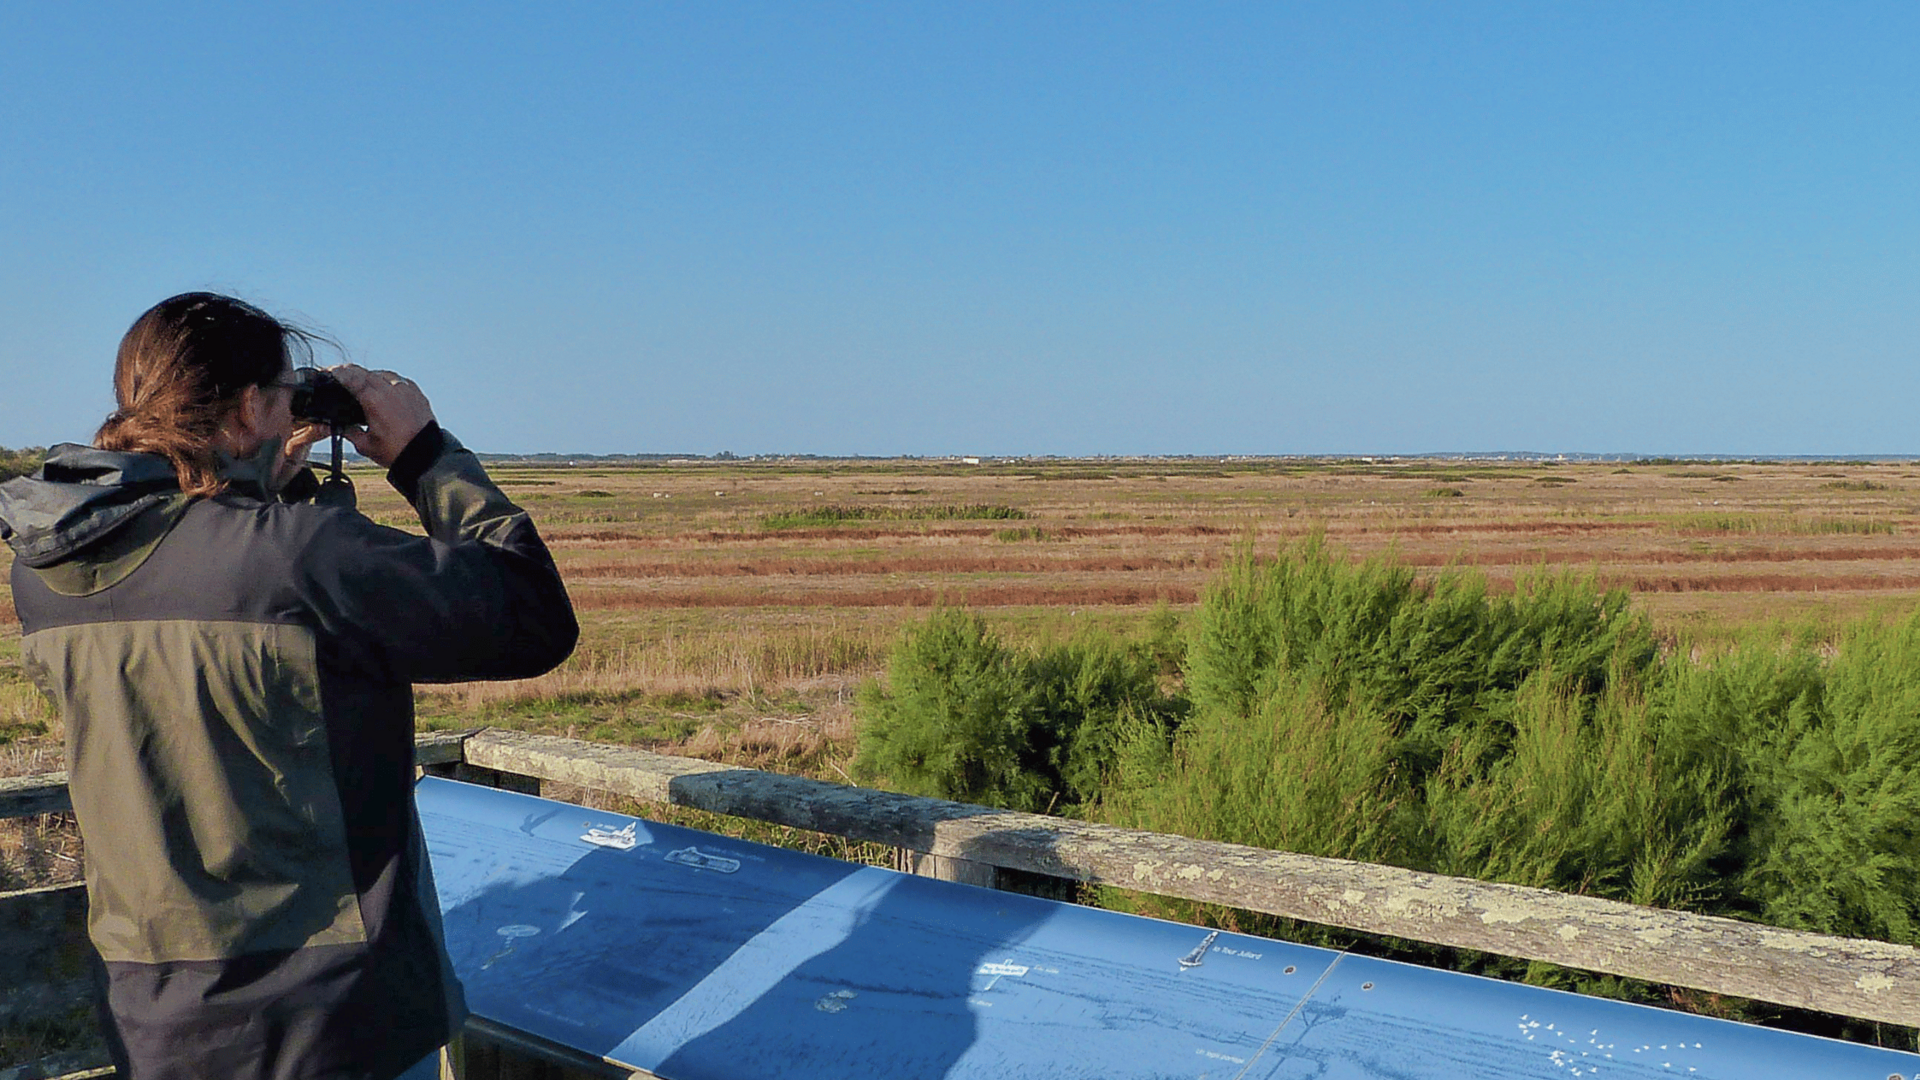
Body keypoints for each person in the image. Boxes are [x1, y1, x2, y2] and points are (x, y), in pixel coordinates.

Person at [0, 293, 579, 1080]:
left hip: (156, 1017)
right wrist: (424, 454)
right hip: (330, 1019)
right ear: (244, 410)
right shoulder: (293, 553)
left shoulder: (48, 569)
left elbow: (212, 584)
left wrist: (260, 490)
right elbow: (532, 618)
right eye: (284, 395)